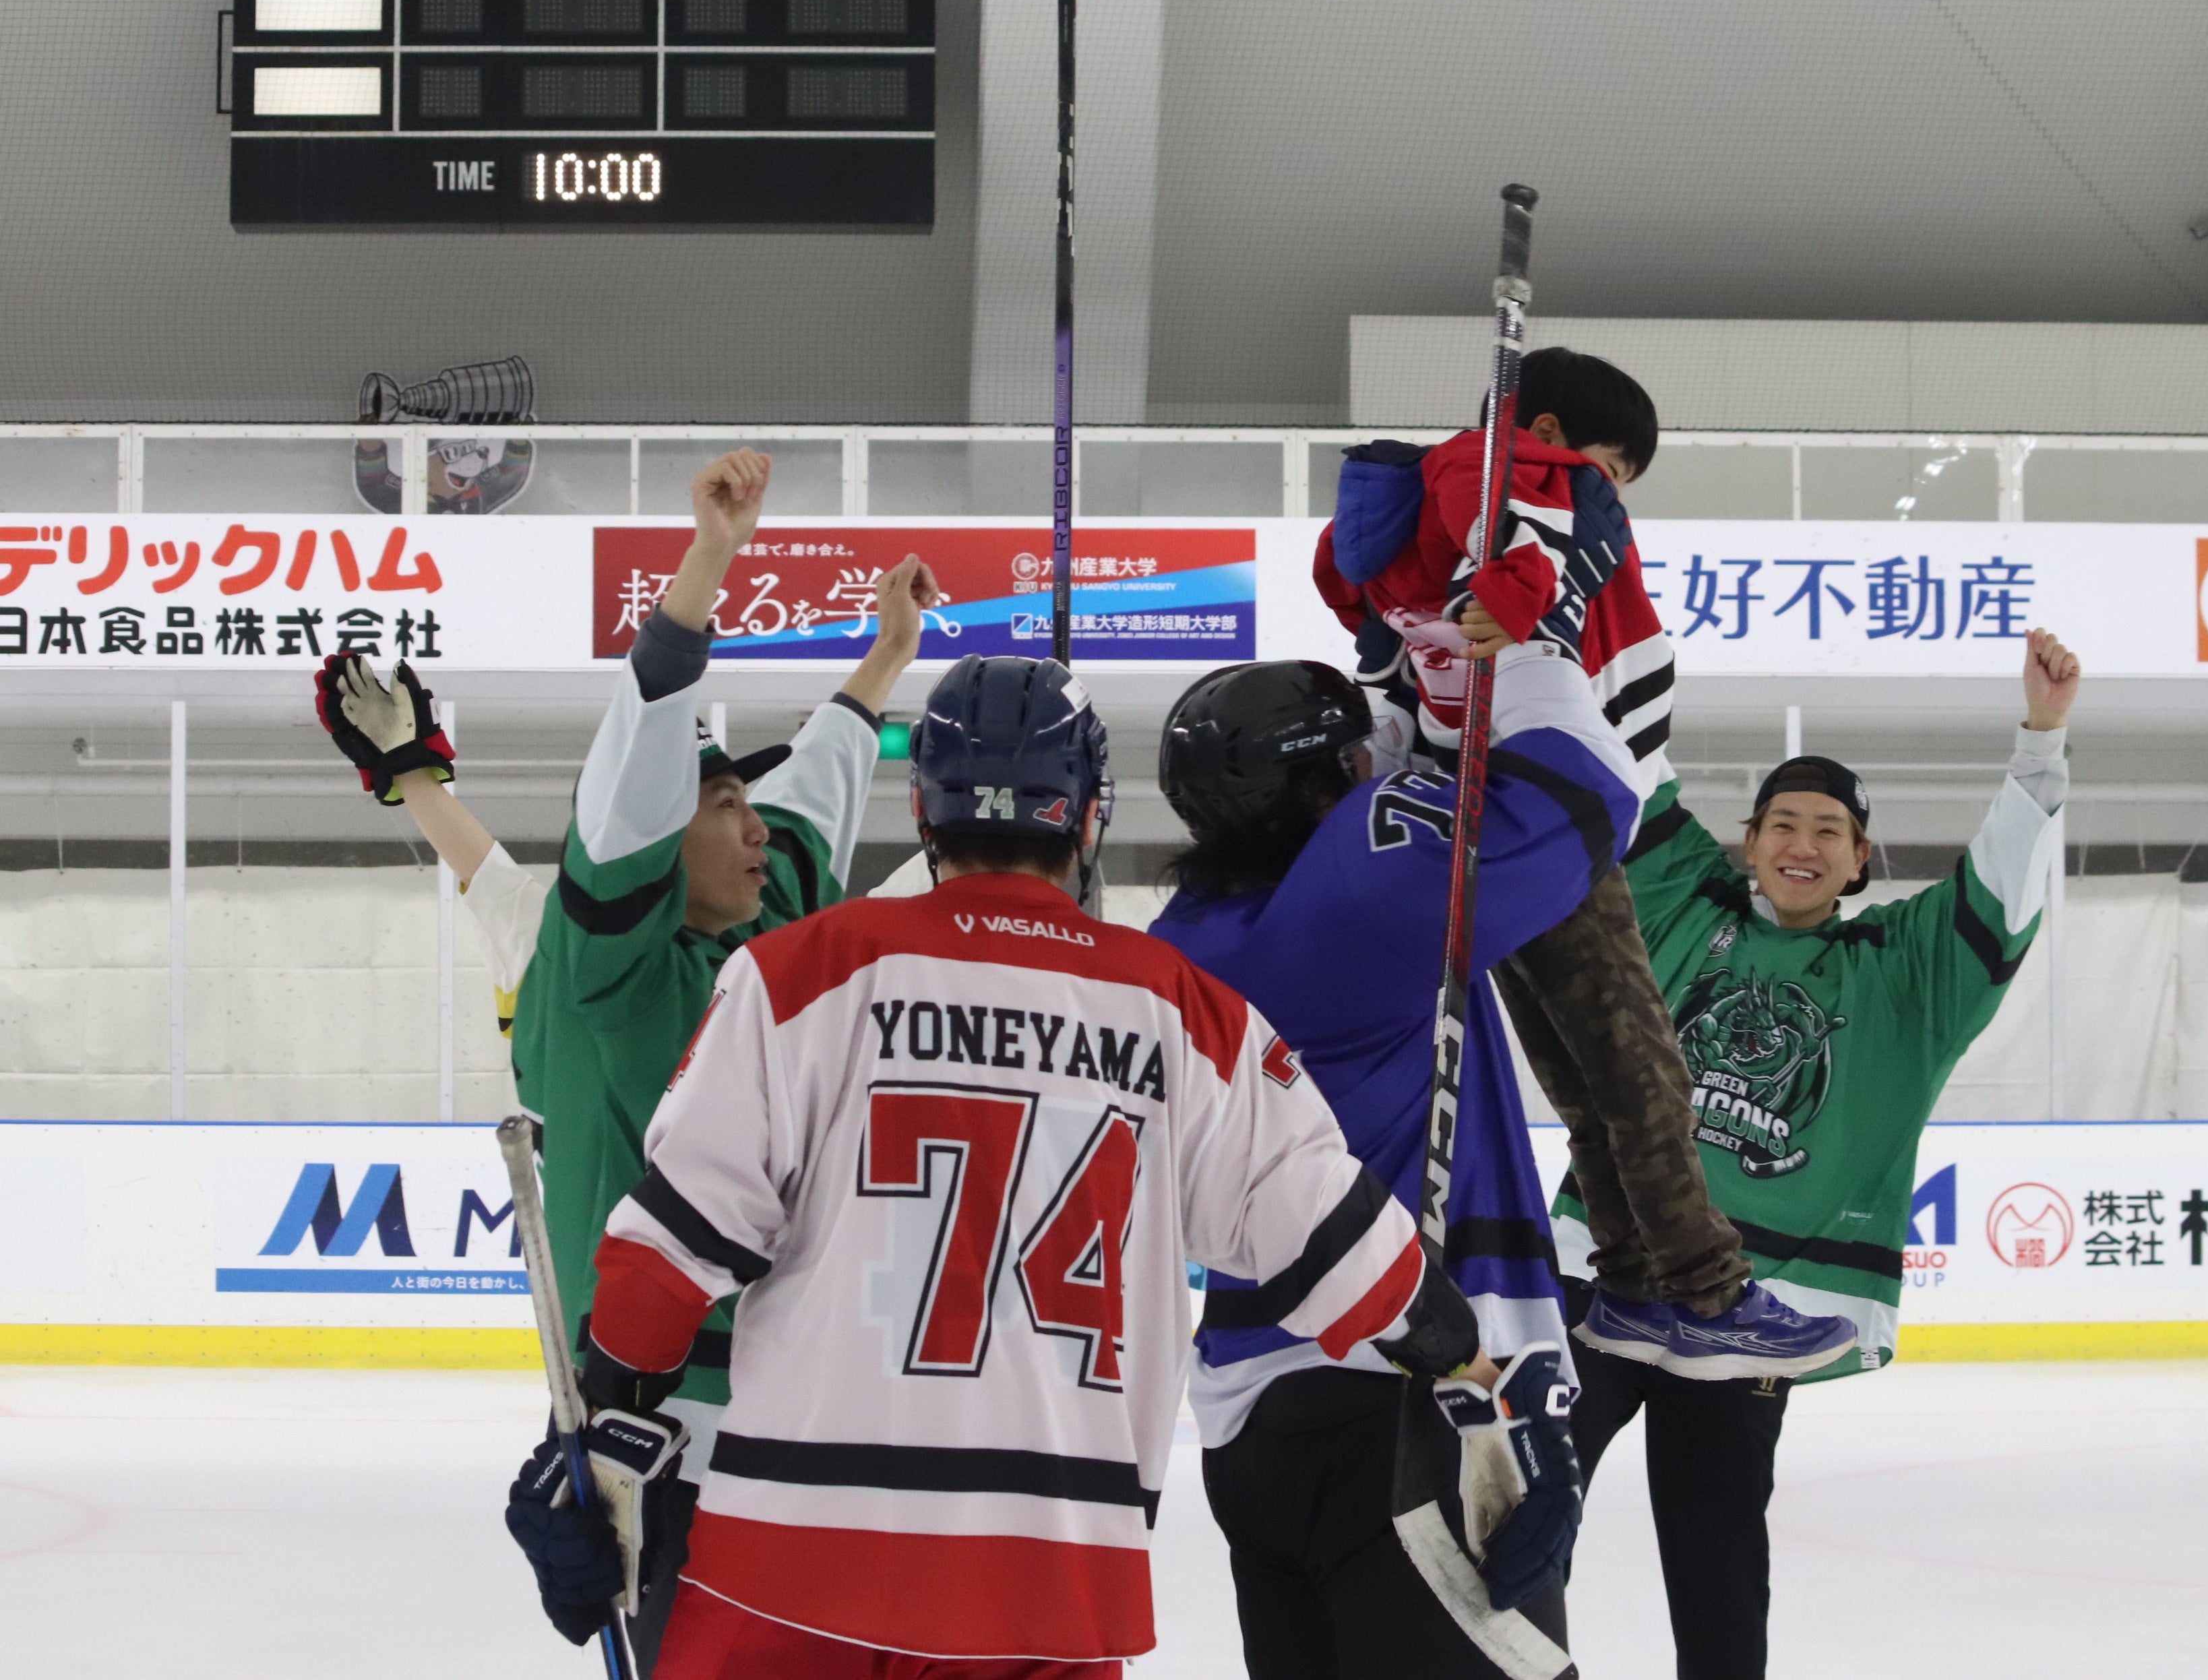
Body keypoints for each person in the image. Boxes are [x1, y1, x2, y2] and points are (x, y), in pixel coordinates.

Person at [528, 654, 1521, 1679]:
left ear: (925, 811)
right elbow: (1333, 1238)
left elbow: (668, 1253)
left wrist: (606, 1432)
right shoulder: (1183, 1010)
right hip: (1057, 1581)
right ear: (1087, 817)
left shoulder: (799, 973)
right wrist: (1468, 1373)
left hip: (793, 1563)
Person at [1549, 627, 2082, 1679]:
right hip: (1603, 1275)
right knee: (1519, 1512)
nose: (1805, 843)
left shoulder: (1907, 974)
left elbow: (2004, 883)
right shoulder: (1680, 901)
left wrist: (2041, 740)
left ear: (1859, 858)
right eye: (1784, 823)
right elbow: (1627, 757)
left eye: (1830, 830)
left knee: (1715, 1566)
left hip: (1754, 1309)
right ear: (1748, 841)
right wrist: (1576, 626)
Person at [1312, 346, 1853, 1379]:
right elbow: (1526, 563)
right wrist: (1531, 575)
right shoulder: (1533, 481)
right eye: (1613, 468)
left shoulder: (1405, 525)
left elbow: (1382, 634)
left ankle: (1637, 1288)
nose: (1614, 496)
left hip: (1480, 817)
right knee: (1644, 1069)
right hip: (1550, 808)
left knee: (1588, 1078)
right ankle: (1705, 1289)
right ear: (1552, 436)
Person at [501, 447, 940, 1668]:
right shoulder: (604, 966)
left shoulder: (755, 939)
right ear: (657, 845)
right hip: (657, 1432)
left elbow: (819, 794)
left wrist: (888, 654)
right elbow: (636, 771)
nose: (756, 828)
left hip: (791, 1420)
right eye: (723, 809)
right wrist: (710, 561)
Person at [1148, 641, 1644, 1679]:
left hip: (1254, 1429)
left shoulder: (1179, 947)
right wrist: (1527, 654)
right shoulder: (1367, 892)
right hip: (1412, 1401)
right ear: (1322, 785)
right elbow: (1595, 792)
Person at [315, 652, 545, 1042]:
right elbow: (494, 881)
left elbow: (494, 882)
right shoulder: (572, 953)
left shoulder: (570, 955)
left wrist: (408, 765)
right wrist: (407, 764)